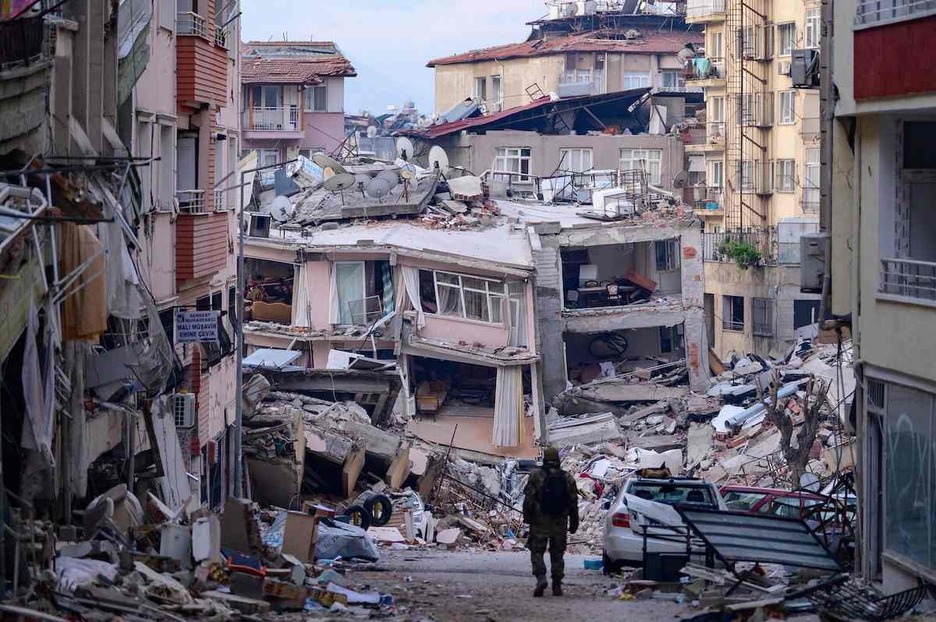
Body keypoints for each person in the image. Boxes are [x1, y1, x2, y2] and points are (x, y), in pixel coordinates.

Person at [523, 446, 579, 597]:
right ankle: (557, 585)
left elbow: (529, 499)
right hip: (559, 521)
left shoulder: (536, 475)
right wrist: (574, 523)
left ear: (545, 459)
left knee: (536, 551)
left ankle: (541, 578)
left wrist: (527, 517)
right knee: (557, 553)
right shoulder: (567, 478)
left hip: (540, 521)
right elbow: (573, 502)